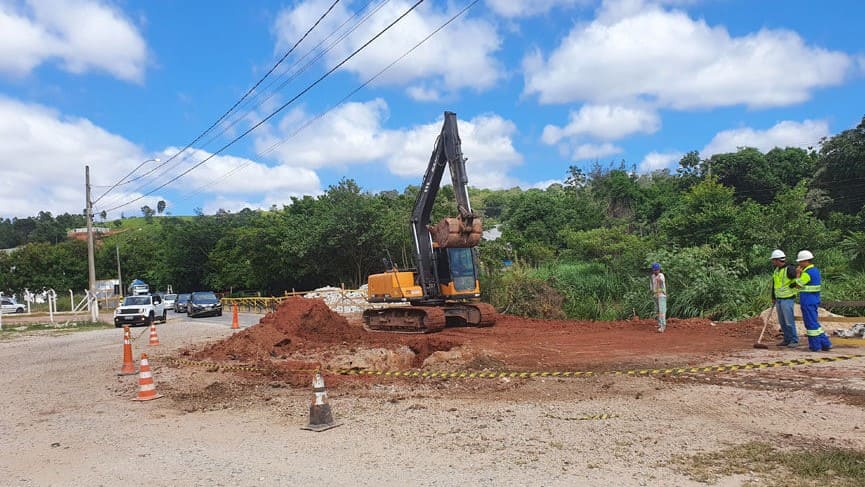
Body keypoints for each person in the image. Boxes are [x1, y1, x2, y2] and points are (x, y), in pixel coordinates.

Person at [793, 250, 832, 352]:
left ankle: (815, 346)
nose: (799, 264)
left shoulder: (807, 273)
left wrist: (798, 274)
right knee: (814, 323)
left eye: (800, 262)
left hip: (807, 301)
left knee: (810, 325)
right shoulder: (815, 270)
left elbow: (798, 285)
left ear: (806, 261)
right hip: (814, 300)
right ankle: (825, 343)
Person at [770, 250, 799, 348]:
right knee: (782, 321)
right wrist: (773, 297)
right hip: (779, 299)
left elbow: (798, 278)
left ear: (777, 260)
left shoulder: (790, 269)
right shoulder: (776, 270)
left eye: (773, 260)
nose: (772, 262)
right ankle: (786, 339)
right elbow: (774, 285)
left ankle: (794, 340)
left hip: (788, 298)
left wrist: (793, 284)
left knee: (789, 321)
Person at [650, 262, 667, 332]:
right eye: (654, 270)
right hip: (655, 295)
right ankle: (660, 324)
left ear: (659, 269)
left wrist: (659, 280)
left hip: (661, 295)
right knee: (657, 311)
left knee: (662, 311)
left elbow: (661, 281)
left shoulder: (661, 275)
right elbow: (652, 285)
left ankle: (663, 326)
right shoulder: (652, 276)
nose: (655, 271)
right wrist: (652, 291)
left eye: (657, 270)